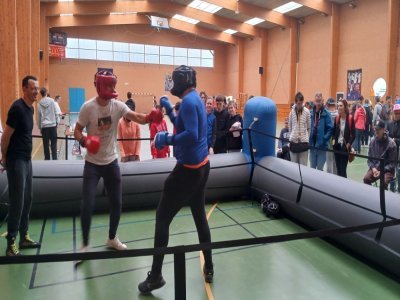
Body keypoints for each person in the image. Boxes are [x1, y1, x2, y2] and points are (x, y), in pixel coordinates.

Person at [139, 65, 213, 293]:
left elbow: (191, 134)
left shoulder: (190, 102)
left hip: (188, 171)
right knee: (200, 216)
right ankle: (209, 265)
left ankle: (156, 275)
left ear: (181, 81)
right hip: (202, 167)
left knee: (162, 218)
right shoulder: (194, 100)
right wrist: (170, 110)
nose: (171, 84)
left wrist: (166, 139)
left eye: (174, 80)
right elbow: (185, 124)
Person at [73, 70, 163, 258]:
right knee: (87, 202)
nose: (112, 89)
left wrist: (148, 118)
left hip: (111, 161)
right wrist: (85, 142)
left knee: (117, 202)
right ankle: (84, 244)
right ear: (100, 87)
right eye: (109, 86)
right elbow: (77, 131)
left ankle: (112, 238)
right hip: (92, 163)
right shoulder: (88, 107)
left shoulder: (118, 106)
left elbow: (135, 116)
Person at [1, 75, 41, 256]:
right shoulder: (17, 108)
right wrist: (4, 158)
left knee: (28, 198)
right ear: (24, 88)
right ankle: (11, 244)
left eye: (37, 88)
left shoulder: (30, 108)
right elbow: (6, 137)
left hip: (27, 159)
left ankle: (24, 237)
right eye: (33, 88)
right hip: (16, 160)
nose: (36, 92)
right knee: (18, 201)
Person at [363, 120, 397, 189]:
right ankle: (372, 195)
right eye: (375, 129)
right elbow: (369, 159)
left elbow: (393, 164)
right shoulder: (372, 142)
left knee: (383, 183)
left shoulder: (391, 144)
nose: (376, 132)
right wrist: (373, 168)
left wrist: (381, 170)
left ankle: (383, 198)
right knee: (366, 179)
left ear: (384, 130)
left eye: (378, 129)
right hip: (375, 168)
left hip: (387, 170)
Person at [308, 93, 333, 170]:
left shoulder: (327, 113)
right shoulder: (310, 113)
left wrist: (324, 139)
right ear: (314, 101)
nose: (318, 102)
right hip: (312, 145)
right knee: (312, 167)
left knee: (319, 168)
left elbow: (330, 128)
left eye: (319, 100)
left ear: (322, 101)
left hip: (322, 146)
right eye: (316, 100)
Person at [332, 99, 355, 178]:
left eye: (341, 105)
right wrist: (334, 141)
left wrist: (348, 144)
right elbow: (334, 132)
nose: (339, 107)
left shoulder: (350, 119)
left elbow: (353, 135)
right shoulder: (337, 118)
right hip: (337, 147)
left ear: (345, 107)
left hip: (345, 148)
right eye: (338, 106)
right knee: (338, 169)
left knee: (343, 169)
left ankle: (344, 186)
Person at [288, 92, 311, 166]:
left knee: (303, 166)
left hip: (303, 142)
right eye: (298, 103)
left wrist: (306, 138)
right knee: (294, 166)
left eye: (301, 103)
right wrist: (291, 137)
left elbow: (308, 127)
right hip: (293, 142)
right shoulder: (291, 112)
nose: (300, 105)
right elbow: (290, 126)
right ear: (295, 102)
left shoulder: (307, 112)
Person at [37, 87, 58, 160]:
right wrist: (57, 123)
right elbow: (56, 113)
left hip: (44, 127)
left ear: (41, 94)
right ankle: (55, 160)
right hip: (52, 126)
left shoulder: (39, 103)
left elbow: (39, 117)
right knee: (54, 146)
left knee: (46, 147)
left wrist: (40, 127)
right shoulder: (52, 101)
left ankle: (47, 161)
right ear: (46, 92)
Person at [388, 104, 400, 192]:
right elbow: (387, 135)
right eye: (395, 113)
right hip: (392, 152)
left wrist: (395, 140)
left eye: (398, 113)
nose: (396, 115)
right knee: (391, 170)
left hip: (399, 152)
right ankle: (392, 189)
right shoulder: (390, 124)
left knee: (399, 171)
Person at [325, 98, 338, 174]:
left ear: (328, 105)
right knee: (335, 160)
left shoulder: (326, 114)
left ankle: (330, 178)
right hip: (336, 139)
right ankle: (335, 177)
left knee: (329, 160)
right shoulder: (338, 114)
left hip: (329, 139)